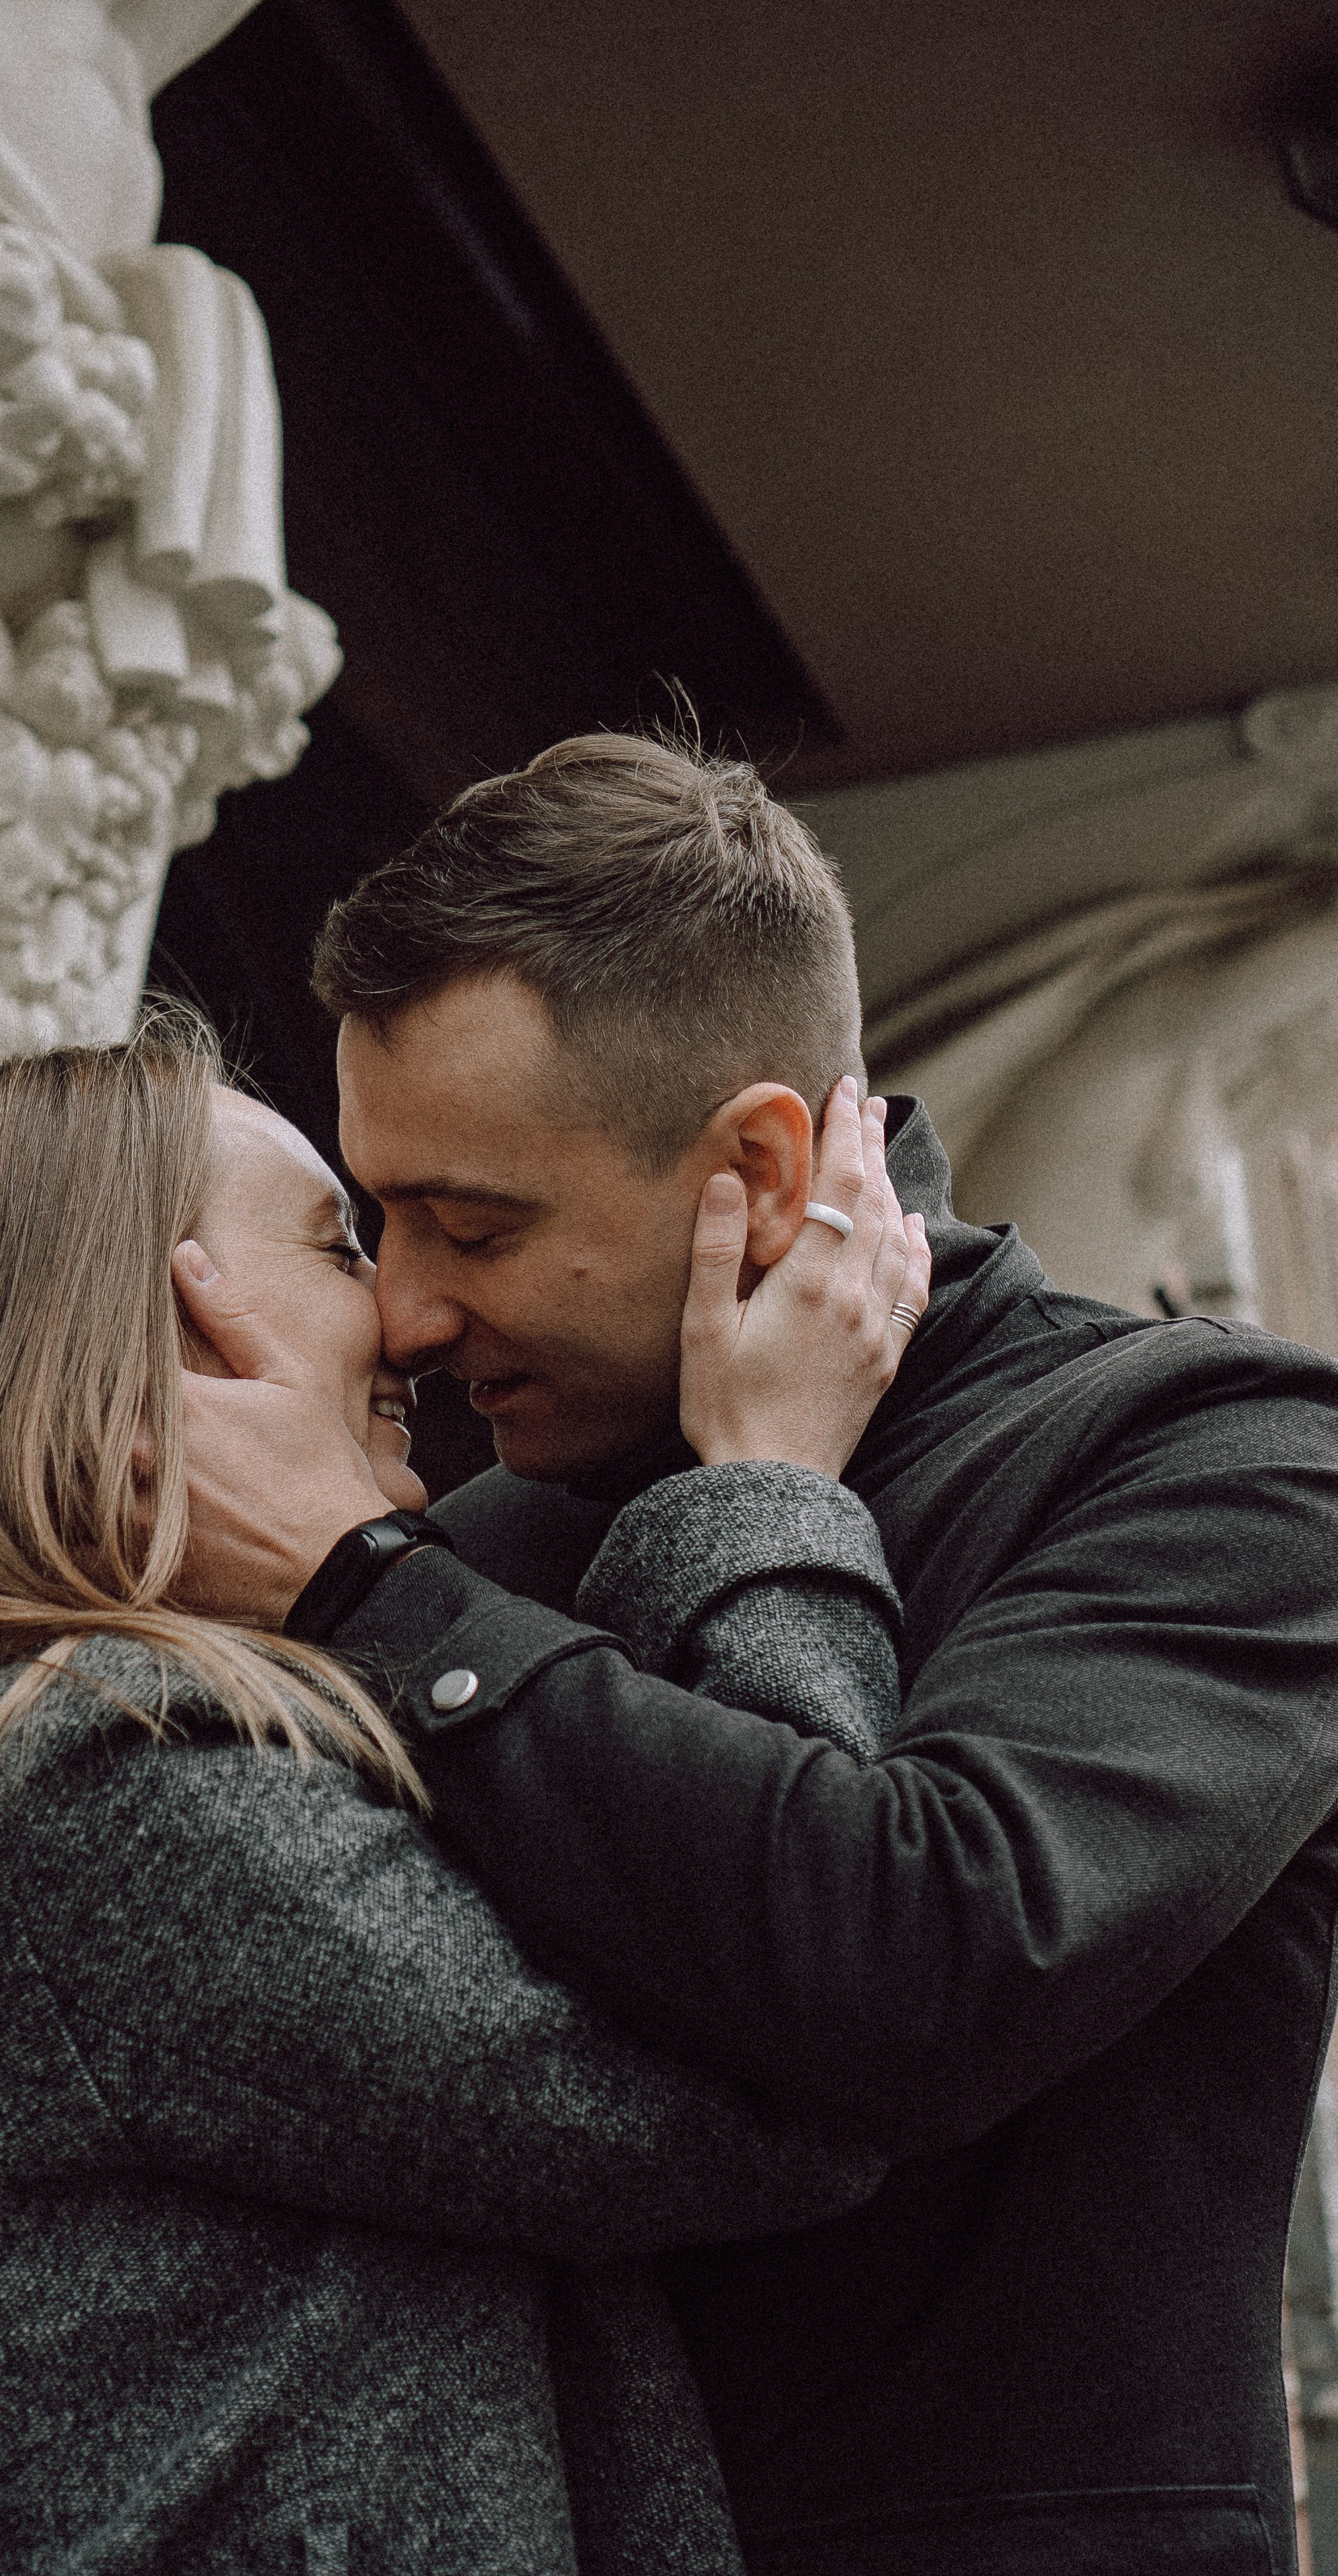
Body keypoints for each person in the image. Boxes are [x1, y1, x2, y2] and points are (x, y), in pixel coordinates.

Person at [154, 731, 1338, 2576]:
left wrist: (369, 1598)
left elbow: (926, 1965)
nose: (404, 1306)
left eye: (474, 1223)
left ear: (764, 1166)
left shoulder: (1224, 1462)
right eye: (378, 1216)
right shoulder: (447, 1554)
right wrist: (27, 2388)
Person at [0, 1018, 930, 2575]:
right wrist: (770, 1483)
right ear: (162, 1330)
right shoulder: (111, 1788)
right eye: (339, 1245)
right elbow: (789, 2064)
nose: (409, 1318)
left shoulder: (0, 1767)